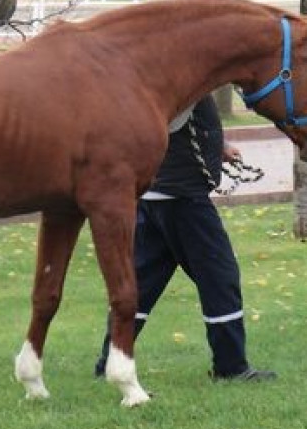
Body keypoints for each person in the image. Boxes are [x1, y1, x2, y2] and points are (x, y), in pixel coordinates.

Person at [94, 95, 276, 382]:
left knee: (142, 285)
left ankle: (110, 360)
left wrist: (219, 147)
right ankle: (231, 368)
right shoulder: (177, 74)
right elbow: (170, 116)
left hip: (159, 196)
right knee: (220, 278)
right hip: (182, 198)